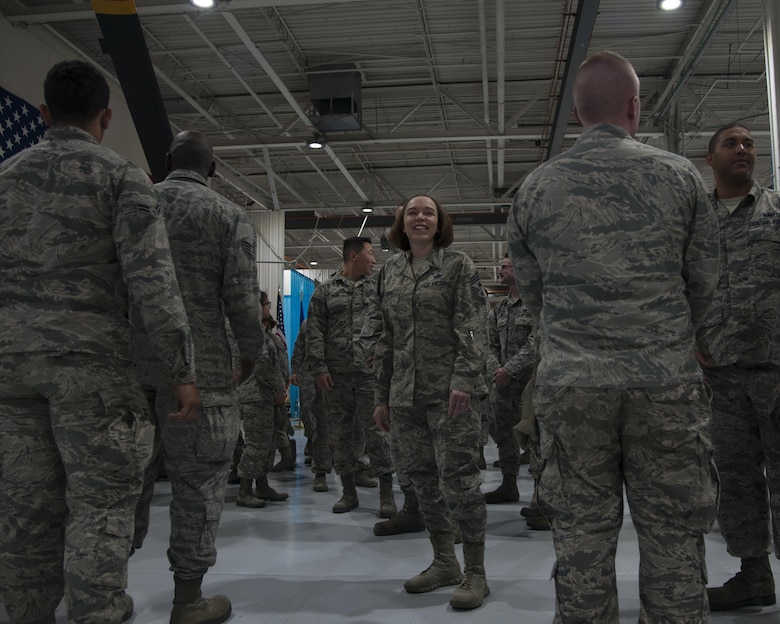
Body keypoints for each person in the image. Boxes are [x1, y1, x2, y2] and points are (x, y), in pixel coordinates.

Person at [506, 51, 720, 622]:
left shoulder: (534, 189)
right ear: (634, 106)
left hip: (574, 387)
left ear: (576, 113)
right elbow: (704, 284)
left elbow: (533, 298)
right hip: (665, 384)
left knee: (580, 537)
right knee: (674, 535)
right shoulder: (680, 177)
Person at [0, 60, 200, 624]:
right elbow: (153, 284)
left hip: (11, 369)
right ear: (106, 117)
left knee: (23, 506)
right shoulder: (120, 177)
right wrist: (181, 372)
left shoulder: (6, 177)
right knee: (100, 502)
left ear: (43, 113)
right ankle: (96, 612)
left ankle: (26, 612)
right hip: (92, 369)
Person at [134, 130, 265, 624]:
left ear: (166, 161)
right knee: (199, 486)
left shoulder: (136, 200)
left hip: (130, 367)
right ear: (214, 171)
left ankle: (100, 591)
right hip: (204, 370)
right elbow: (240, 297)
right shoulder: (228, 215)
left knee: (119, 482)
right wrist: (250, 354)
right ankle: (187, 599)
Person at [372, 195, 490, 610]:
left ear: (439, 224)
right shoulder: (390, 271)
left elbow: (474, 327)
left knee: (459, 481)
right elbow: (384, 338)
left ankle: (476, 571)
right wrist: (381, 396)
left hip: (450, 395)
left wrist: (465, 379)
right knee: (422, 480)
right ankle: (444, 562)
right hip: (405, 396)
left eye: (429, 212)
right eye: (412, 212)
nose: (420, 217)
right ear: (401, 224)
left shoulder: (458, 266)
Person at [699, 123, 780, 611]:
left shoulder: (776, 213)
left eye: (749, 143)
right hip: (721, 378)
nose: (743, 149)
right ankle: (754, 575)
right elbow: (675, 284)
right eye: (731, 143)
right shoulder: (697, 222)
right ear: (710, 159)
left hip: (776, 370)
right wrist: (689, 335)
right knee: (735, 478)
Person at [306, 237, 395, 517]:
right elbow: (315, 332)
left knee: (378, 434)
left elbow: (391, 326)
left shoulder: (379, 289)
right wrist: (319, 368)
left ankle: (386, 494)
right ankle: (348, 493)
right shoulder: (325, 291)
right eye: (370, 253)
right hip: (336, 376)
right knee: (341, 435)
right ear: (353, 255)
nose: (374, 259)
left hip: (371, 376)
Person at [484, 254, 535, 504]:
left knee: (535, 436)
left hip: (529, 384)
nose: (500, 272)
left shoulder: (535, 304)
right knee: (504, 436)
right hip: (503, 386)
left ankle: (540, 495)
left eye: (504, 267)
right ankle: (508, 484)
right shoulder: (500, 309)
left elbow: (536, 342)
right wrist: (496, 369)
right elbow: (489, 343)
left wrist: (510, 369)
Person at [291, 318, 332, 492]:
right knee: (311, 413)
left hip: (336, 372)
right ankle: (314, 447)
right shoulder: (308, 324)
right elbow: (299, 347)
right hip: (310, 373)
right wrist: (294, 370)